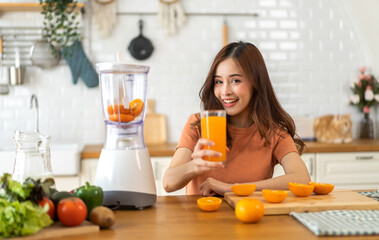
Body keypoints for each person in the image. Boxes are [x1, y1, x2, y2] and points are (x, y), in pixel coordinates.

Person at [163, 41, 311, 196]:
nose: (225, 91)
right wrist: (195, 165)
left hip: (249, 217)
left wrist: (231, 188)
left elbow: (301, 179)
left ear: (256, 83)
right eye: (219, 81)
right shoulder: (199, 125)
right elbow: (168, 183)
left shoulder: (274, 133)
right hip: (201, 218)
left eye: (235, 80)